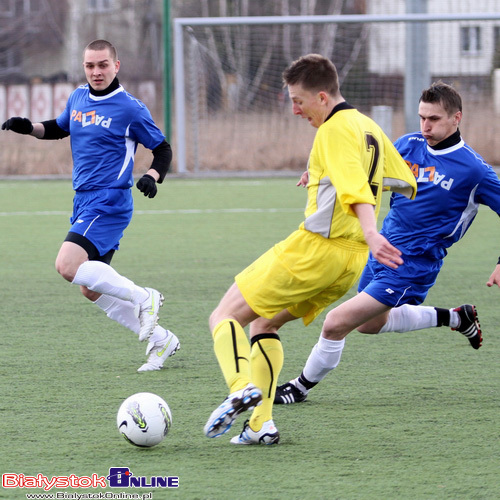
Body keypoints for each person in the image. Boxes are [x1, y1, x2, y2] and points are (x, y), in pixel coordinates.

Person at [203, 54, 417, 445]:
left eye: (298, 100)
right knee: (263, 324)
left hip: (316, 249)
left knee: (223, 316)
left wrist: (370, 229)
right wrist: (323, 175)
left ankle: (239, 387)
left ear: (321, 96)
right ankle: (260, 426)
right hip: (348, 264)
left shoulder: (333, 130)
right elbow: (404, 179)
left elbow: (354, 186)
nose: (294, 109)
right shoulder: (367, 126)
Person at [274, 80, 500, 406]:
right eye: (422, 117)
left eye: (434, 119)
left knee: (336, 322)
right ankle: (456, 317)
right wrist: (323, 172)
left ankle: (299, 387)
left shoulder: (474, 170)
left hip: (414, 265)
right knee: (368, 325)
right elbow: (364, 167)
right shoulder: (408, 145)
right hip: (381, 248)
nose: (426, 126)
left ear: (456, 118)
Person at [1, 39, 179, 372]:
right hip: (83, 199)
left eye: (102, 65)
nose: (96, 72)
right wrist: (29, 127)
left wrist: (152, 175)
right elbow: (59, 128)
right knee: (89, 288)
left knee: (67, 265)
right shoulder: (78, 97)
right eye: (89, 66)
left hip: (109, 199)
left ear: (116, 65)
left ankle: (145, 298)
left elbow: (163, 148)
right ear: (84, 67)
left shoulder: (130, 108)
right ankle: (162, 340)